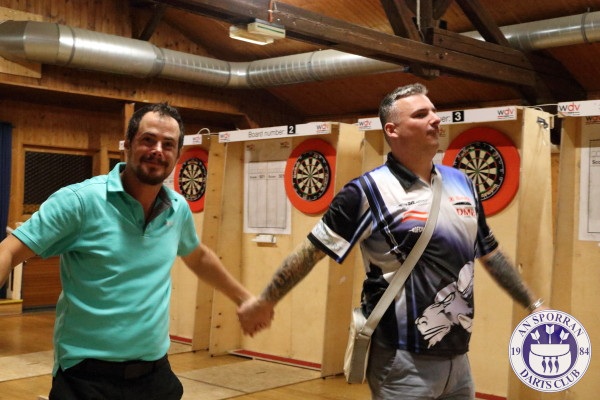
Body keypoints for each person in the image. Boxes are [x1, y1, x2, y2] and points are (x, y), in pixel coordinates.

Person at [237, 83, 546, 400]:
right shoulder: (366, 192)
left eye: (434, 111)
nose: (435, 119)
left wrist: (533, 305)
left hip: (458, 358)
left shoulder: (462, 183)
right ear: (392, 130)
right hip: (401, 360)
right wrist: (265, 301)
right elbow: (311, 252)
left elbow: (490, 253)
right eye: (421, 114)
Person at [0, 102, 270, 400]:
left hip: (154, 375)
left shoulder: (177, 208)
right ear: (127, 145)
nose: (158, 150)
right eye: (148, 140)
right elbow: (8, 252)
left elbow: (198, 256)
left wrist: (244, 298)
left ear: (177, 154)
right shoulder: (80, 202)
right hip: (87, 377)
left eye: (168, 144)